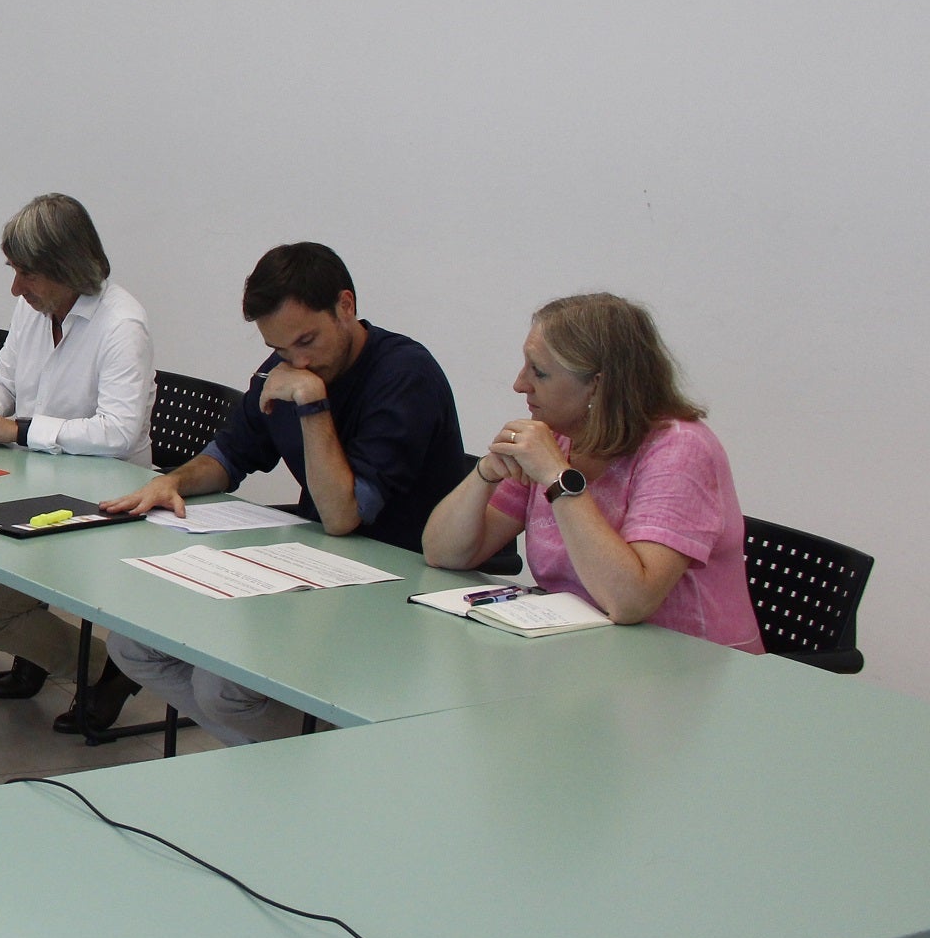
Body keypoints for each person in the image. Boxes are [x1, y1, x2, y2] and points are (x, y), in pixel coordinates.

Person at [102, 242, 469, 744]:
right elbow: (229, 456)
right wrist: (173, 480)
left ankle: (317, 765)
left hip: (399, 581)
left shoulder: (404, 376)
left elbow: (344, 514)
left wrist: (312, 404)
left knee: (223, 688)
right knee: (131, 644)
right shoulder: (288, 368)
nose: (297, 360)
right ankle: (294, 758)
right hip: (318, 566)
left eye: (307, 340)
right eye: (281, 350)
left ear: (346, 306)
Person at [0, 194, 155, 706]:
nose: (15, 287)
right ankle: (41, 650)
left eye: (27, 274)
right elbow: (5, 380)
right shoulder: (33, 306)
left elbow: (119, 433)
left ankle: (105, 671)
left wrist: (17, 430)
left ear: (67, 268)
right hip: (28, 487)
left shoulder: (121, 326)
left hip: (99, 505)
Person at [422, 294, 759, 649]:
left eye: (539, 371)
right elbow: (444, 553)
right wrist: (486, 473)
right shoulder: (558, 436)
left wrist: (557, 477)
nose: (520, 384)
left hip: (687, 671)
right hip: (584, 654)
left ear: (597, 385)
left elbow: (630, 601)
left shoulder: (680, 450)